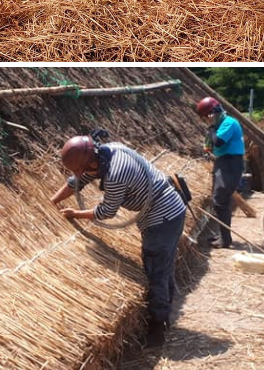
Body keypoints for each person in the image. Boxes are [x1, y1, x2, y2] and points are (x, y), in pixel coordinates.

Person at [52, 135, 187, 346]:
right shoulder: (106, 151)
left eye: (85, 169)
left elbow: (107, 211)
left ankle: (157, 328)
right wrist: (53, 201)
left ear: (93, 162)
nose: (85, 174)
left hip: (162, 217)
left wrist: (75, 214)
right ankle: (166, 307)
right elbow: (78, 180)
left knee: (156, 269)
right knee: (162, 264)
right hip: (168, 211)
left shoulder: (116, 174)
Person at [195, 97, 245, 248]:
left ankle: (225, 240)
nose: (207, 120)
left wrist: (211, 127)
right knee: (220, 200)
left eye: (207, 117)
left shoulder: (229, 123)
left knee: (220, 200)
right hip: (224, 162)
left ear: (213, 113)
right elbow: (213, 143)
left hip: (230, 163)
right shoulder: (221, 123)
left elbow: (218, 142)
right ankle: (224, 236)